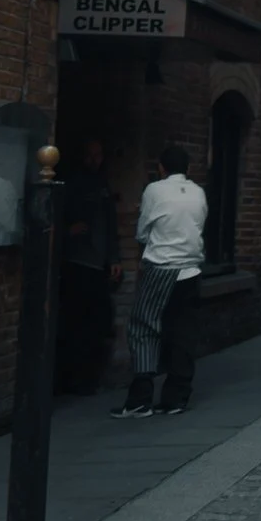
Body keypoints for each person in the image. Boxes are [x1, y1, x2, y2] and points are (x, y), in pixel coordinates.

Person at [118, 140, 206, 417]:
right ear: (188, 168)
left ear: (161, 168)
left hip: (161, 266)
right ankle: (177, 397)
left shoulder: (155, 190)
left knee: (144, 327)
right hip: (191, 270)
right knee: (182, 332)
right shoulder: (198, 192)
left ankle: (140, 399)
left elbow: (143, 231)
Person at [55, 136, 118, 392]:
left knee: (97, 322)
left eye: (98, 155)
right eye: (90, 155)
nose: (95, 160)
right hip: (76, 261)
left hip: (97, 263)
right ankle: (69, 377)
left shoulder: (103, 185)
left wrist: (113, 258)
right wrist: (66, 231)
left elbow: (110, 224)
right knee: (74, 321)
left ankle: (88, 376)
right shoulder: (71, 183)